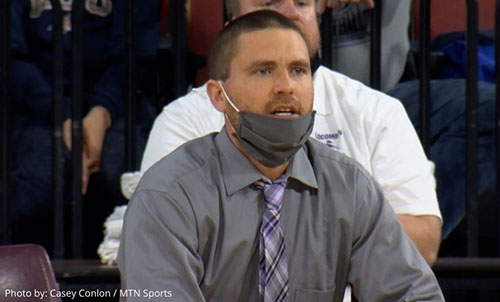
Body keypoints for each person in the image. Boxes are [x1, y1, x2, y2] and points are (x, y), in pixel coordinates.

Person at [118, 11, 444, 301]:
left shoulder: (351, 186)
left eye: (299, 70)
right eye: (264, 71)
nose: (286, 86)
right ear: (218, 96)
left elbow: (412, 293)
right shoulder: (167, 195)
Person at [9, 0, 159, 256]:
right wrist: (61, 113)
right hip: (35, 104)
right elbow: (10, 58)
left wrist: (102, 113)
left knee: (119, 174)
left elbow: (135, 54)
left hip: (119, 103)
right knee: (42, 179)